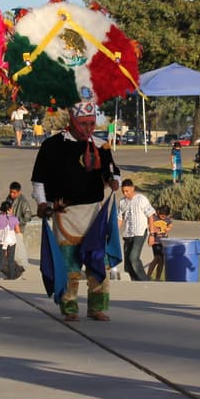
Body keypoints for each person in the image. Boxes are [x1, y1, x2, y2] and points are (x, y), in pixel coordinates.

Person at [32, 101, 122, 321]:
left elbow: (113, 171)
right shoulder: (52, 146)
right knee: (69, 264)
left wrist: (114, 180)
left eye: (92, 124)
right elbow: (38, 180)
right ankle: (69, 307)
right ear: (72, 121)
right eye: (83, 124)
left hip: (93, 213)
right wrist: (43, 203)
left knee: (96, 261)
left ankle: (97, 307)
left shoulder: (101, 146)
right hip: (64, 213)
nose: (88, 129)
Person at [118, 178, 155, 282]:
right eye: (123, 191)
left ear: (133, 188)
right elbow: (120, 219)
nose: (125, 194)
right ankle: (135, 281)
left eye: (127, 191)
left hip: (140, 232)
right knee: (127, 264)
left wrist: (152, 234)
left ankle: (144, 279)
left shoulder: (141, 199)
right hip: (128, 234)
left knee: (133, 257)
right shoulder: (122, 202)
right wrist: (115, 233)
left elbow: (151, 216)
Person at [7, 181, 36, 273]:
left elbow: (28, 216)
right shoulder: (9, 199)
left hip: (18, 230)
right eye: (10, 192)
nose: (12, 194)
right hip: (9, 229)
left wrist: (17, 222)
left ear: (19, 192)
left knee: (17, 251)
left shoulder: (23, 202)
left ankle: (19, 269)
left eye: (14, 192)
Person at [0, 199, 23, 280]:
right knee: (11, 260)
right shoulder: (14, 218)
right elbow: (17, 230)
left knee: (0, 260)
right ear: (10, 209)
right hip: (11, 241)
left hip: (1, 240)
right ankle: (11, 277)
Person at [146, 206, 172, 280]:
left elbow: (170, 225)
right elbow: (149, 226)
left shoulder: (167, 219)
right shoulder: (154, 218)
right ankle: (148, 275)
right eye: (162, 215)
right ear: (158, 212)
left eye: (165, 216)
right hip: (156, 241)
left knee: (162, 260)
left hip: (164, 241)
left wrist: (168, 229)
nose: (163, 217)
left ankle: (158, 277)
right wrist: (154, 230)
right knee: (157, 258)